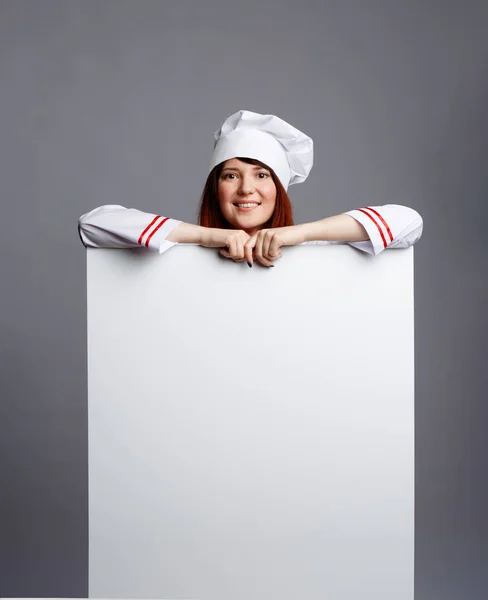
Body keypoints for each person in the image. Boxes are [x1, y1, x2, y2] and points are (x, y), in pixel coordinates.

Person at [78, 110, 423, 268]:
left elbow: (408, 222)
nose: (246, 189)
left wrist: (295, 236)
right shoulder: (179, 252)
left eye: (262, 176)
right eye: (231, 175)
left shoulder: (315, 254)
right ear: (216, 188)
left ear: (279, 189)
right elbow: (94, 224)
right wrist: (208, 238)